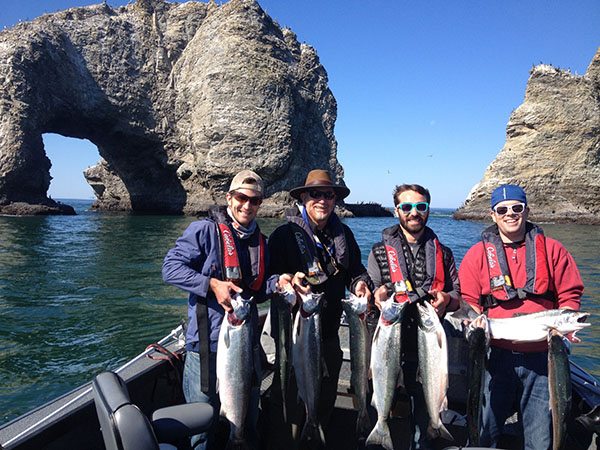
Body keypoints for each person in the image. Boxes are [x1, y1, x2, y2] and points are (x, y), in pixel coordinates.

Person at [162, 170, 292, 450]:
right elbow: (170, 269)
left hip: (246, 345)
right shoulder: (204, 231)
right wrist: (210, 284)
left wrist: (279, 281)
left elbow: (259, 286)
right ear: (229, 198)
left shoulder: (261, 241)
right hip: (205, 349)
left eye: (255, 201)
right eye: (241, 198)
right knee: (202, 430)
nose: (247, 205)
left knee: (247, 419)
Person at [458, 184, 584, 450]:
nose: (510, 214)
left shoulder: (553, 250)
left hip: (542, 360)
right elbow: (467, 301)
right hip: (494, 358)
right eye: (502, 210)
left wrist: (568, 326)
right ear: (493, 215)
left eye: (517, 208)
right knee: (484, 431)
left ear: (526, 211)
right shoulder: (476, 255)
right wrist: (473, 323)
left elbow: (570, 294)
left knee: (540, 438)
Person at [266, 169, 372, 449]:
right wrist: (285, 281)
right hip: (293, 336)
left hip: (328, 336)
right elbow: (268, 278)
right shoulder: (282, 236)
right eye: (316, 194)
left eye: (329, 195)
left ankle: (316, 437)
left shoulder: (343, 234)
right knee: (289, 397)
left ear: (335, 199)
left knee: (324, 396)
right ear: (303, 197)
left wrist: (361, 283)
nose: (322, 200)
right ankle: (286, 441)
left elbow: (356, 270)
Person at [367, 183, 460, 450]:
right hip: (387, 347)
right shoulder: (379, 251)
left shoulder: (443, 253)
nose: (414, 212)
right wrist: (376, 295)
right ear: (397, 211)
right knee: (381, 409)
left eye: (421, 206)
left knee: (423, 426)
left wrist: (448, 300)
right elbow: (371, 285)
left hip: (426, 352)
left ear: (428, 210)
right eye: (406, 207)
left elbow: (457, 294)